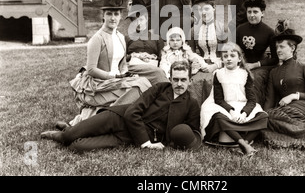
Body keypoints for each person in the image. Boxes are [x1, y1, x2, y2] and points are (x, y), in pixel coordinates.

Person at [41, 61, 202, 153]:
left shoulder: (192, 104)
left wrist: (179, 140)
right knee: (68, 138)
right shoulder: (160, 88)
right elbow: (133, 111)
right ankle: (63, 133)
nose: (179, 84)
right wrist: (145, 143)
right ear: (170, 78)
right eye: (175, 79)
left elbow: (192, 130)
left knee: (77, 147)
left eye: (183, 80)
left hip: (127, 137)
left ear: (189, 80)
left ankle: (71, 130)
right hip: (118, 118)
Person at [63, 0, 152, 128]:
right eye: (109, 14)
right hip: (100, 84)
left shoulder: (120, 37)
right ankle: (100, 120)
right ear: (102, 15)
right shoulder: (97, 39)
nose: (113, 18)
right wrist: (114, 77)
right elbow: (91, 70)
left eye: (116, 14)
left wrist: (125, 75)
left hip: (117, 81)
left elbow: (123, 65)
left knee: (144, 83)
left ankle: (97, 118)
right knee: (136, 89)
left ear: (121, 16)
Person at [200, 42, 268, 157]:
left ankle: (245, 143)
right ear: (222, 59)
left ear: (239, 58)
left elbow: (251, 100)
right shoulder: (219, 74)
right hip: (224, 105)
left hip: (242, 105)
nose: (229, 59)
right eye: (225, 56)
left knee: (263, 116)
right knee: (218, 117)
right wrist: (231, 111)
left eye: (232, 56)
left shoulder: (244, 74)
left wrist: (244, 114)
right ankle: (243, 144)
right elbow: (218, 99)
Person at [188, 0, 228, 106]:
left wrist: (214, 66)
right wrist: (194, 62)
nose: (203, 13)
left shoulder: (223, 28)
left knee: (215, 81)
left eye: (206, 9)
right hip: (200, 66)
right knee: (194, 82)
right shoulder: (194, 30)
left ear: (214, 8)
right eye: (200, 10)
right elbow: (190, 52)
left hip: (220, 65)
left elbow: (229, 54)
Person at [236, 0, 279, 106]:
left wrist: (255, 65)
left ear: (262, 13)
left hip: (260, 67)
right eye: (249, 12)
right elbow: (234, 51)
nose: (252, 15)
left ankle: (254, 107)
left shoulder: (269, 32)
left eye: (255, 12)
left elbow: (275, 59)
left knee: (253, 79)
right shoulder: (240, 29)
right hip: (242, 64)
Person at [125, 0, 169, 86]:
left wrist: (153, 57)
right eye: (135, 20)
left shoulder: (157, 38)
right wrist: (135, 55)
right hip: (133, 71)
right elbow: (121, 60)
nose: (138, 23)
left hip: (153, 71)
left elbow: (164, 58)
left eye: (141, 19)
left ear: (146, 19)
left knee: (160, 76)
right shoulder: (127, 38)